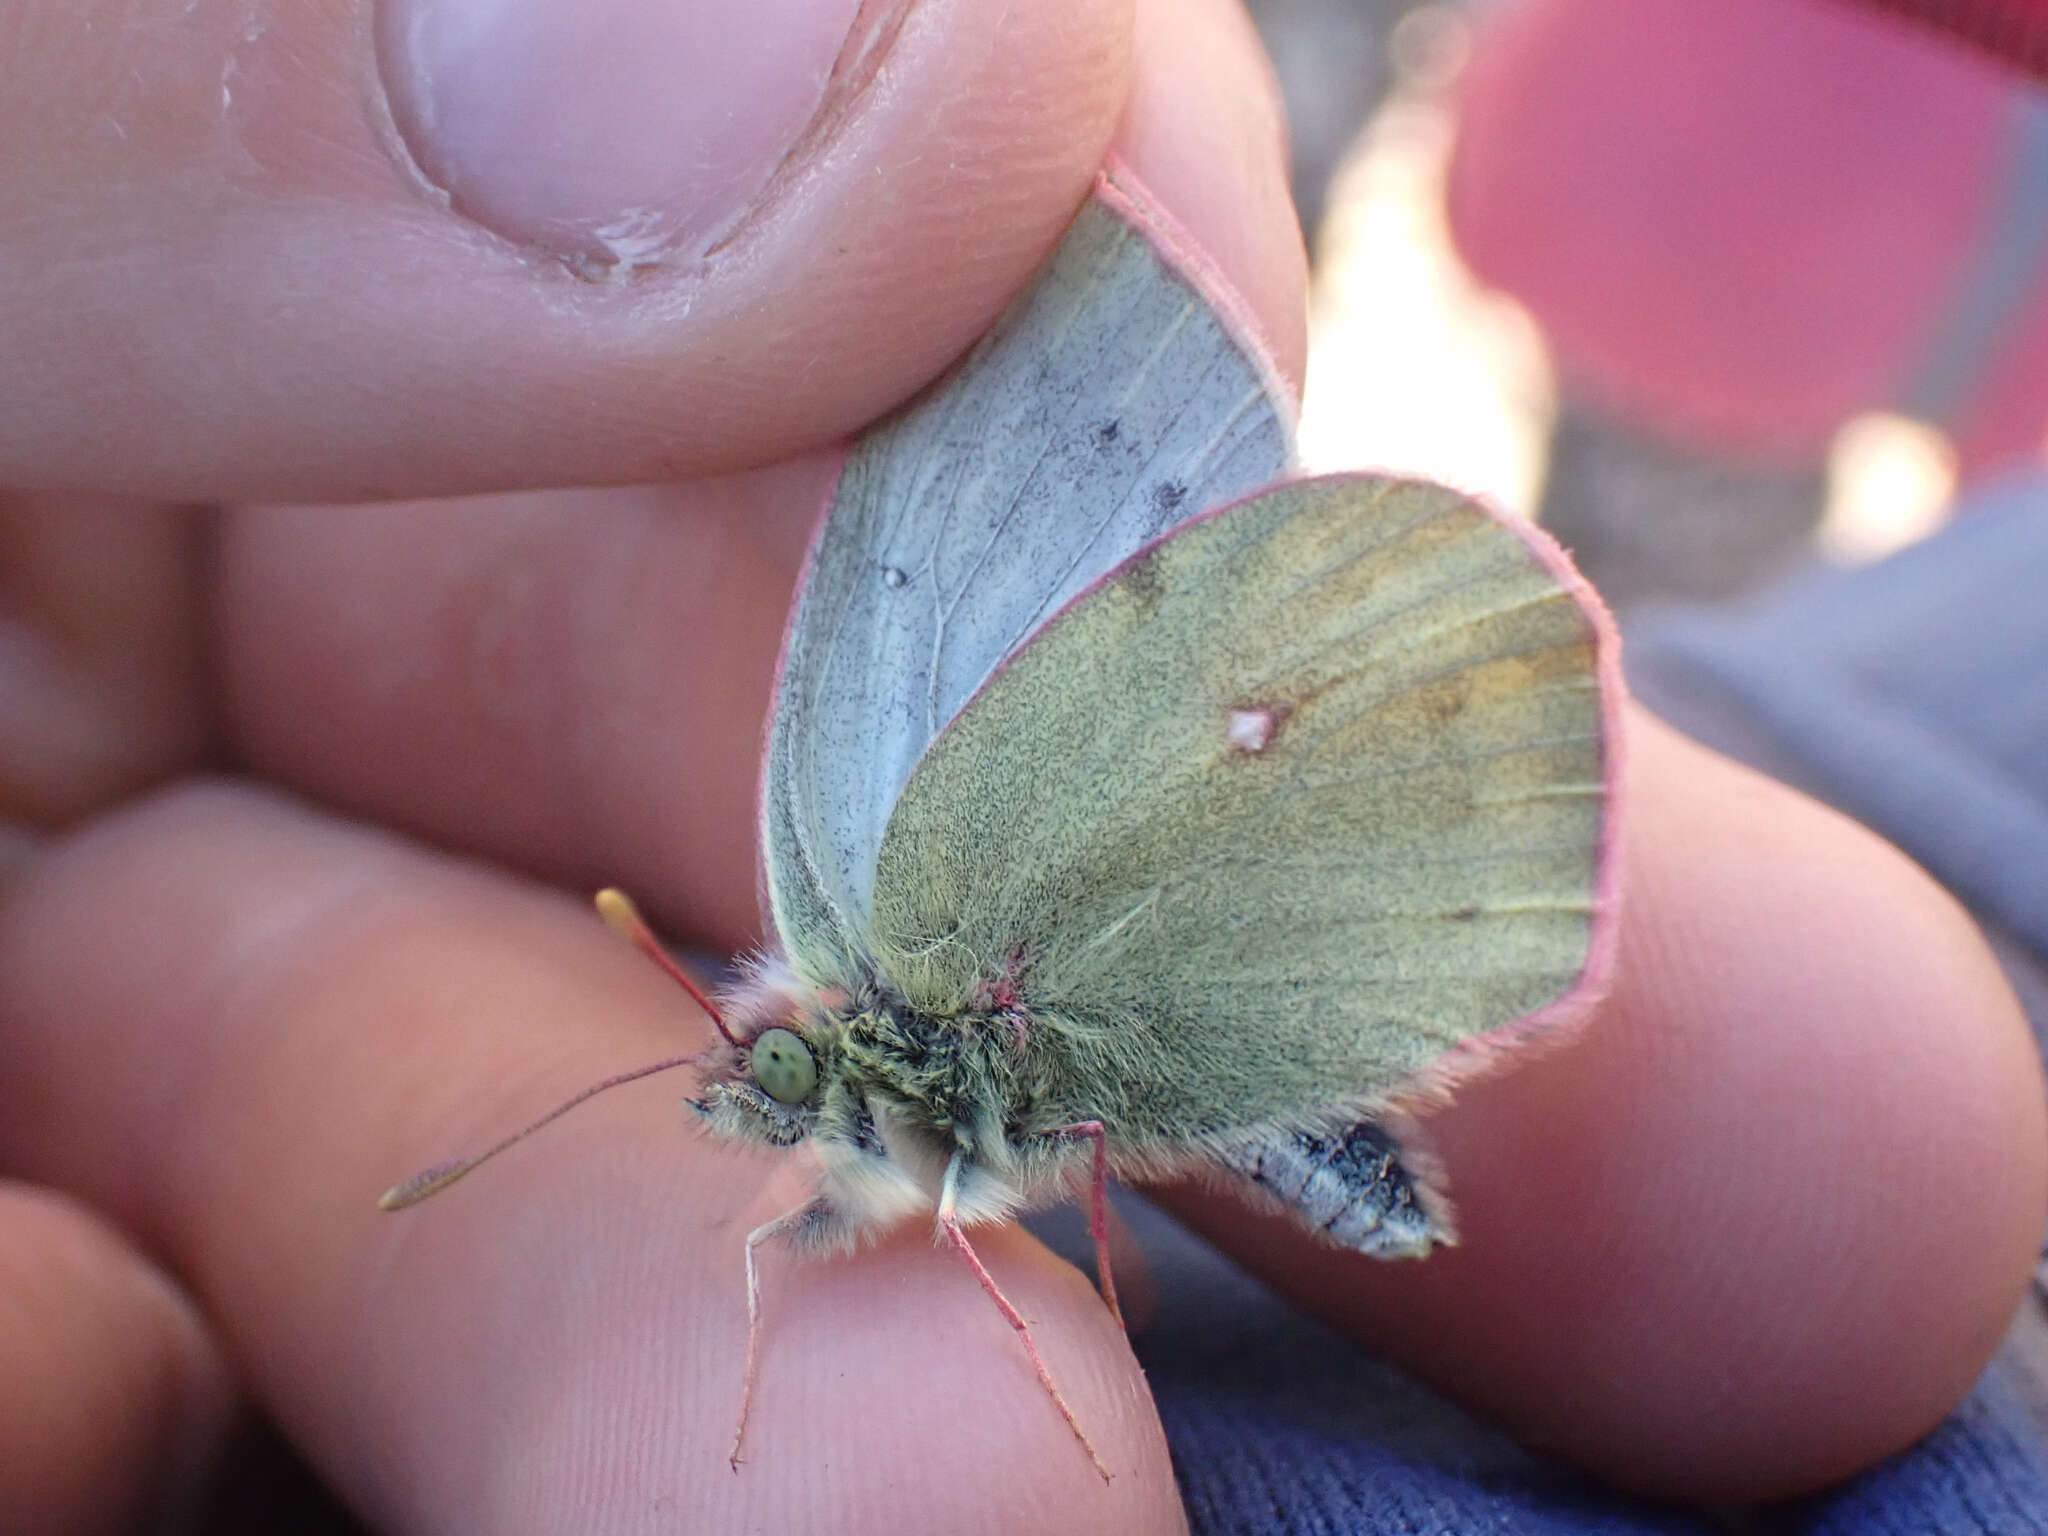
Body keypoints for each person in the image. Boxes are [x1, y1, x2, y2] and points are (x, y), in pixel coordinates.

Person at [0, 0, 2038, 1530]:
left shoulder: (855, 907)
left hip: (1316, 777)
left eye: (764, 1077)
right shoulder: (838, 931)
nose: (750, 1084)